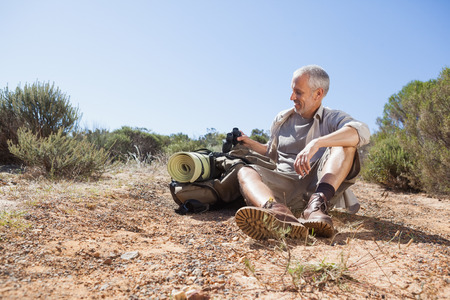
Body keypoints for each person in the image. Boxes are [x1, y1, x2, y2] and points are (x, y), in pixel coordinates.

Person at [234, 65, 370, 239]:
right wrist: (249, 143)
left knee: (346, 144)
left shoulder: (332, 117)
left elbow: (361, 132)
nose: (292, 97)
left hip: (317, 185)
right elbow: (272, 152)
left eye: (298, 92)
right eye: (292, 91)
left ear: (318, 94)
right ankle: (278, 213)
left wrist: (317, 143)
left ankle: (316, 207)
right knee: (245, 171)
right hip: (284, 185)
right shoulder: (281, 120)